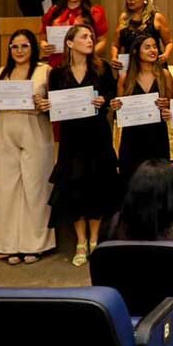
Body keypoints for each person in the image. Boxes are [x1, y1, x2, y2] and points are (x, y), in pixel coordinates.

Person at [43, 24, 119, 266]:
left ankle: (95, 238)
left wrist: (104, 100)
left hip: (97, 134)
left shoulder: (102, 68)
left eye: (91, 36)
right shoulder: (57, 73)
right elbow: (54, 105)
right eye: (84, 36)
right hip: (71, 138)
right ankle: (80, 240)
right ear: (69, 43)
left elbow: (111, 96)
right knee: (75, 186)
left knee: (97, 184)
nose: (90, 40)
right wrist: (47, 106)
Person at [0, 30, 54, 264]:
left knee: (34, 187)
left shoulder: (44, 71)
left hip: (34, 128)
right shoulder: (1, 72)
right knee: (8, 187)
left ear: (32, 47)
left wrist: (44, 104)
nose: (19, 51)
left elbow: (55, 106)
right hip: (6, 128)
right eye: (14, 47)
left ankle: (34, 244)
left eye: (24, 46)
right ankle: (10, 244)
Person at [111, 34, 173, 180]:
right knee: (132, 180)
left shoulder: (164, 75)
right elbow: (118, 111)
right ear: (136, 52)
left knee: (160, 180)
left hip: (157, 136)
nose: (153, 50)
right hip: (132, 138)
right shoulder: (125, 78)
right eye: (147, 47)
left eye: (155, 46)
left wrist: (167, 106)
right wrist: (116, 105)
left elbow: (172, 108)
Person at [41, 0, 108, 67]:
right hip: (57, 64)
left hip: (85, 65)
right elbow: (43, 38)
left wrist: (89, 55)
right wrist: (44, 46)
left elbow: (102, 41)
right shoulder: (53, 11)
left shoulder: (94, 12)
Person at [111, 0, 173, 71]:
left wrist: (166, 54)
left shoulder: (157, 17)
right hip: (130, 68)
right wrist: (114, 57)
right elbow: (115, 45)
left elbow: (169, 42)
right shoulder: (123, 18)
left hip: (153, 66)